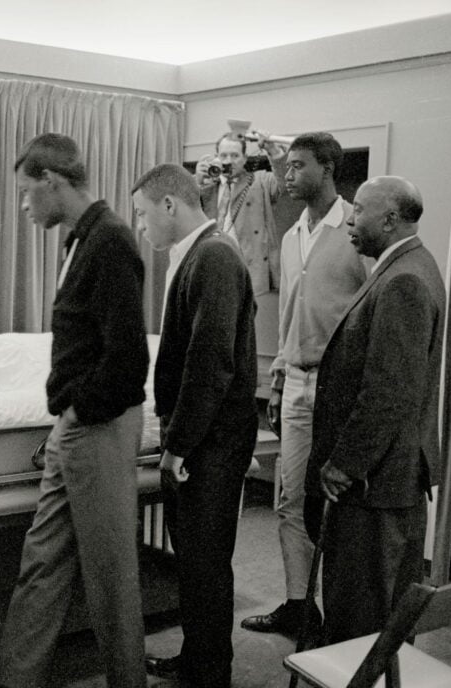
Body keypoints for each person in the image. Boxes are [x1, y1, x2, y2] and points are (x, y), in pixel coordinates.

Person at [0, 133, 149, 688]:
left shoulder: (111, 241)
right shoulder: (81, 239)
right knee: (41, 563)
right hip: (74, 427)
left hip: (98, 426)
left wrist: (81, 409)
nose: (23, 205)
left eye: (25, 191)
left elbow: (129, 360)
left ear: (51, 180)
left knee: (111, 578)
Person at [304, 176, 445, 644]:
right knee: (383, 615)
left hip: (375, 485)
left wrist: (344, 463)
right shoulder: (413, 266)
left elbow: (388, 393)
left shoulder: (403, 279)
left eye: (359, 210)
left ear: (389, 219)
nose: (350, 218)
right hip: (389, 478)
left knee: (361, 619)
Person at [240, 132, 370, 639]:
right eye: (286, 166)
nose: (287, 175)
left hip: (340, 388)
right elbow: (289, 315)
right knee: (290, 500)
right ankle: (299, 606)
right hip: (295, 382)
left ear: (327, 169)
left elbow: (372, 309)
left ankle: (343, 618)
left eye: (297, 166)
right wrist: (277, 380)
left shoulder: (356, 228)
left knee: (336, 504)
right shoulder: (294, 233)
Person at [134, 164, 257, 688]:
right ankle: (197, 658)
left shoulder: (214, 256)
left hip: (211, 442)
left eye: (143, 214)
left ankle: (210, 673)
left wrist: (178, 445)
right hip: (204, 438)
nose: (141, 226)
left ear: (170, 205)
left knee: (206, 563)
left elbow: (211, 361)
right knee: (194, 562)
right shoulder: (198, 255)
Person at [195, 131, 287, 296]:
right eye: (223, 155)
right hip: (214, 272)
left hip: (252, 275)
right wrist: (196, 182)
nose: (228, 161)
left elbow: (284, 184)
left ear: (245, 158)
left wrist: (274, 152)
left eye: (234, 155)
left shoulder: (260, 181)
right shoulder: (206, 187)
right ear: (216, 158)